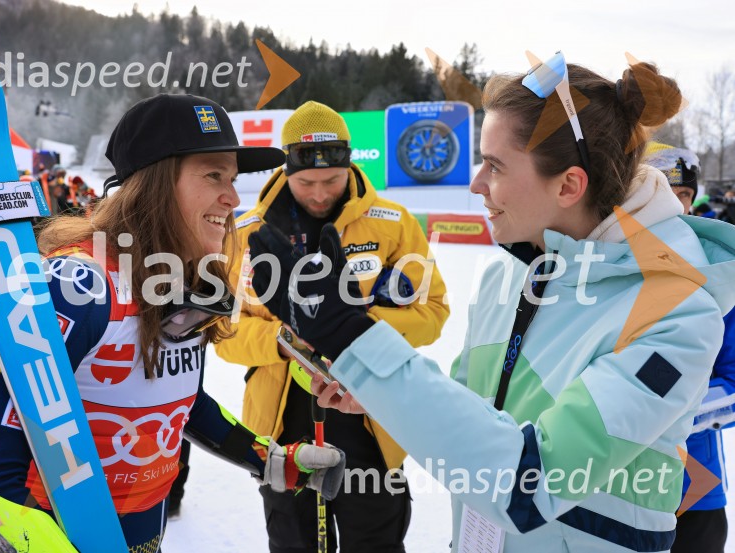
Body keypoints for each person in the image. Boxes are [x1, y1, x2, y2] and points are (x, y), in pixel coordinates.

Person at [249, 53, 735, 552]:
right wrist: (375, 393)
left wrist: (351, 336)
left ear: (568, 185)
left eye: (495, 166)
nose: (476, 184)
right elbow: (475, 415)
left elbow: (528, 482)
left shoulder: (676, 312)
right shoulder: (511, 272)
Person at [0, 93, 346, 553]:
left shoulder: (188, 283)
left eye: (232, 178)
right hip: (61, 533)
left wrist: (272, 460)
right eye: (213, 175)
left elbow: (180, 402)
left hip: (144, 530)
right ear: (156, 183)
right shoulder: (77, 286)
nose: (231, 198)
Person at [214, 100, 450, 552]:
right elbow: (225, 333)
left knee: (376, 541)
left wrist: (352, 330)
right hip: (283, 425)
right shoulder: (246, 232)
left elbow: (433, 312)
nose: (320, 193)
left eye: (332, 180)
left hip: (370, 418)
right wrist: (284, 341)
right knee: (292, 543)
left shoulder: (394, 224)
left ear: (349, 165)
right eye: (306, 182)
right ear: (286, 171)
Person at [644, 143, 735, 553]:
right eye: (663, 191)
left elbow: (733, 384)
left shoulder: (720, 279)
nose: (677, 207)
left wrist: (664, 408)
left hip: (695, 488)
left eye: (684, 194)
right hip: (611, 488)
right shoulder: (596, 269)